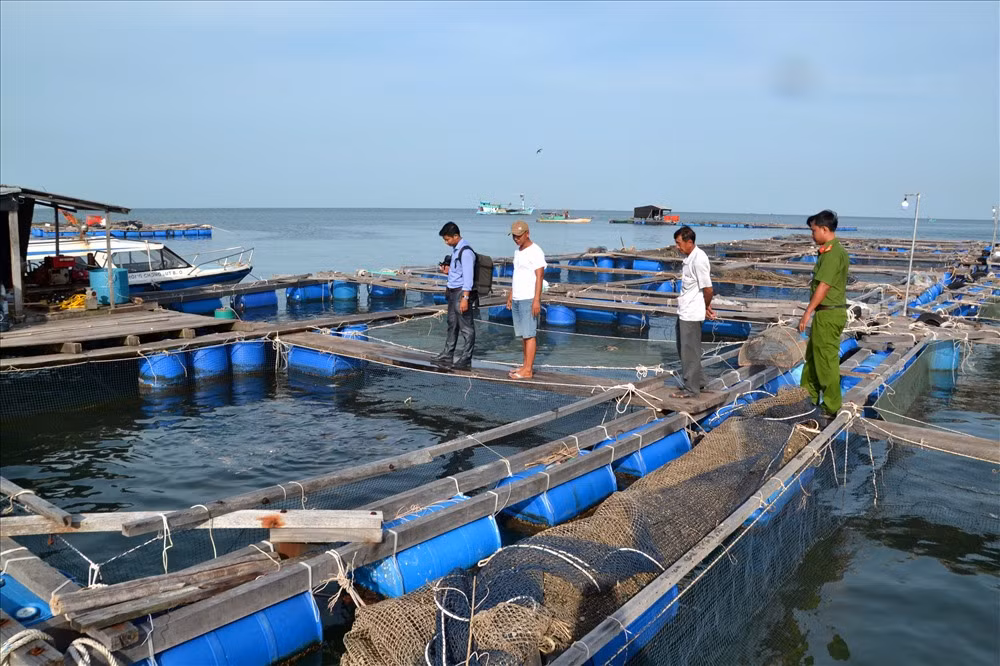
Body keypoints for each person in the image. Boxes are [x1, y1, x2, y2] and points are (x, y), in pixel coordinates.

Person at [797, 209, 849, 426]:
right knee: (813, 359)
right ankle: (807, 398)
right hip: (825, 313)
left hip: (828, 313)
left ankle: (830, 407)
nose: (812, 234)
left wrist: (807, 313)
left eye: (814, 230)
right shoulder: (829, 251)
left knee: (826, 361)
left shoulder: (833, 254)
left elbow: (824, 286)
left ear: (825, 229)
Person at [671, 226, 715, 399]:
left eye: (679, 243)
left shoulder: (699, 259)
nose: (677, 246)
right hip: (684, 310)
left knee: (690, 350)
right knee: (684, 348)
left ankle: (691, 388)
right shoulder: (689, 258)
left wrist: (705, 307)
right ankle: (700, 381)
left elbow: (709, 289)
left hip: (692, 313)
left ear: (690, 242)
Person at [434, 222, 476, 370]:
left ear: (456, 236)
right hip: (452, 291)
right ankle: (448, 353)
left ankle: (466, 357)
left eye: (447, 239)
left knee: (466, 327)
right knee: (452, 324)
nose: (446, 242)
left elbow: (468, 277)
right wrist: (448, 271)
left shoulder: (465, 252)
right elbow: (458, 272)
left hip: (461, 292)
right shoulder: (455, 250)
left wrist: (465, 298)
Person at [507, 220, 546, 379]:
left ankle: (528, 370)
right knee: (523, 334)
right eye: (514, 236)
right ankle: (525, 366)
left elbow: (540, 276)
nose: (516, 239)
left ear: (527, 233)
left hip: (529, 297)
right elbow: (517, 274)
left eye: (519, 236)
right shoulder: (518, 251)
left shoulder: (536, 251)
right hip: (517, 296)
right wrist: (511, 294)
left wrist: (536, 299)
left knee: (529, 334)